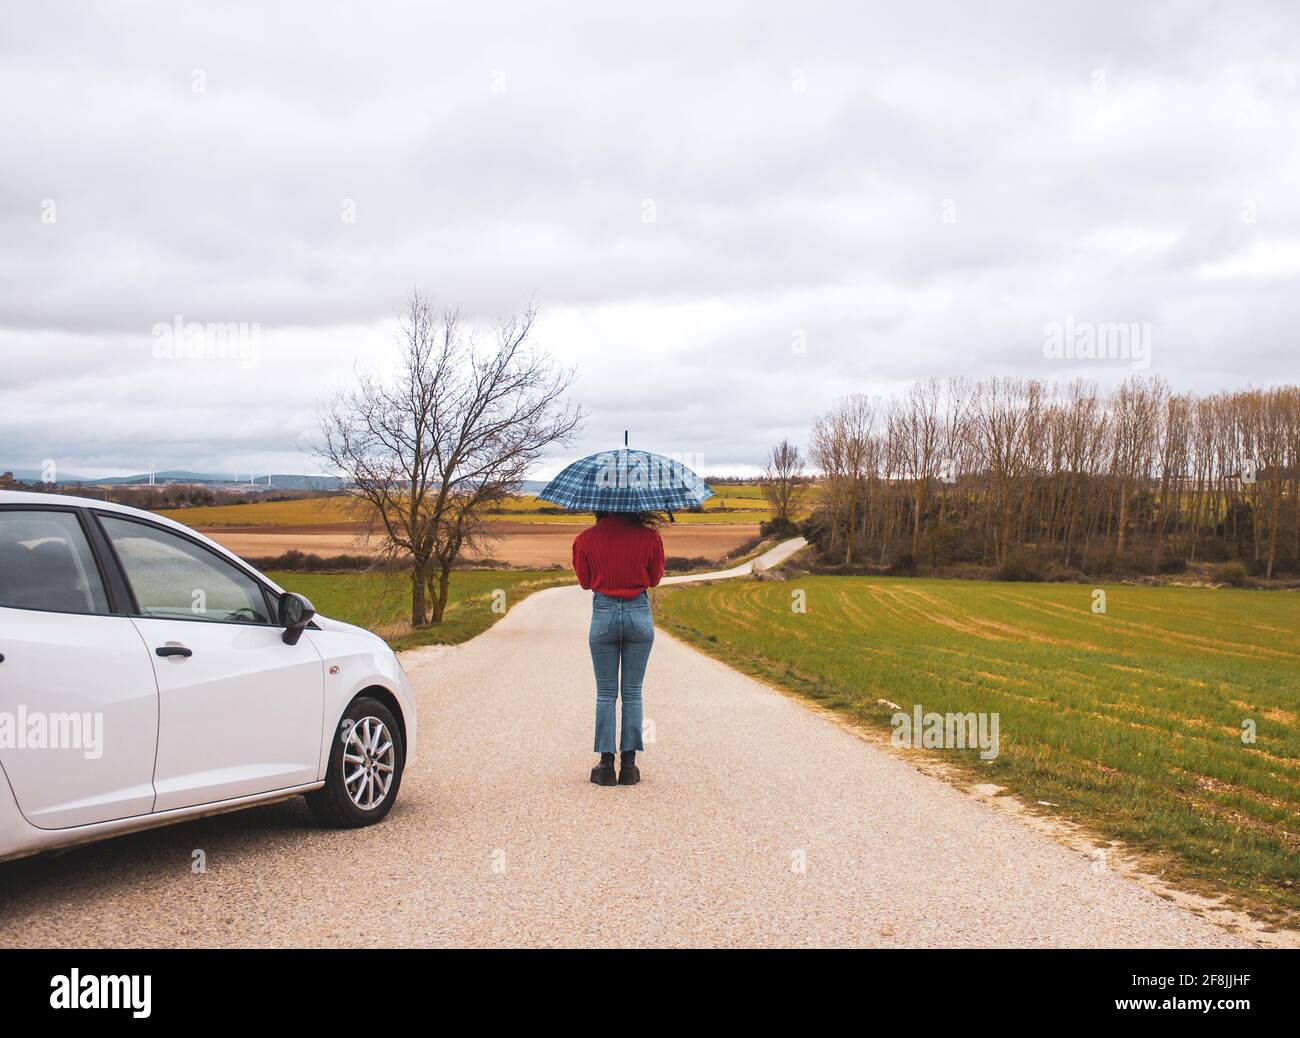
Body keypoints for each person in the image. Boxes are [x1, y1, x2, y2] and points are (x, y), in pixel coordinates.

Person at [572, 510, 665, 786]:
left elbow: (585, 582)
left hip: (604, 613)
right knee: (633, 693)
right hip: (638, 612)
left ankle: (605, 765)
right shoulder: (651, 538)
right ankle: (629, 766)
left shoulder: (584, 539)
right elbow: (654, 579)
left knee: (605, 694)